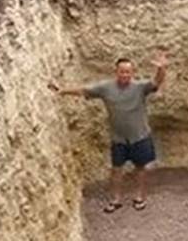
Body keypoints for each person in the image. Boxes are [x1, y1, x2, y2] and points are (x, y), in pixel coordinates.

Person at [52, 53, 168, 212]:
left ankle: (139, 197)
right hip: (118, 138)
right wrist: (62, 91)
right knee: (116, 169)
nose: (125, 74)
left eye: (128, 72)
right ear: (116, 72)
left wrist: (161, 69)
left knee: (141, 168)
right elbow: (84, 91)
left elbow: (156, 82)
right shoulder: (105, 88)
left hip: (140, 136)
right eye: (122, 71)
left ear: (132, 73)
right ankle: (116, 199)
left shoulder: (140, 87)